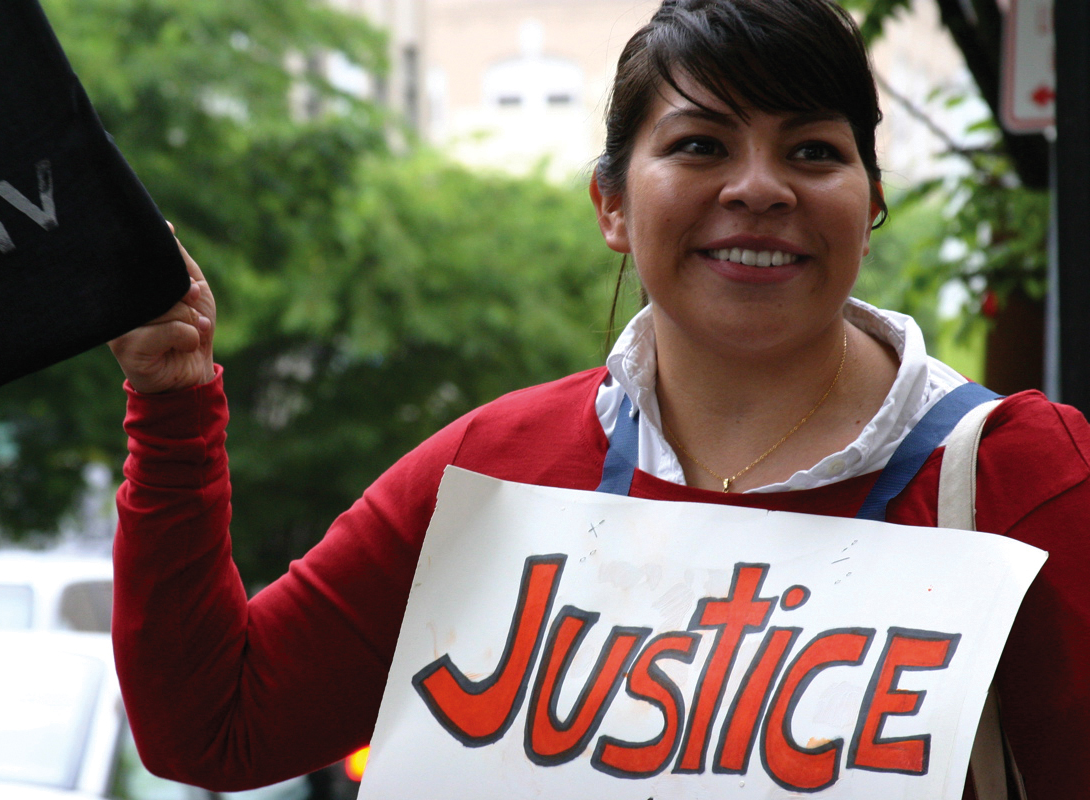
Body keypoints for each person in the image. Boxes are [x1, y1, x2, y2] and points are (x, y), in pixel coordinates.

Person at [108, 1, 1090, 797]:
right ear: (612, 204)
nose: (759, 187)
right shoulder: (491, 468)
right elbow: (213, 726)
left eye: (813, 151)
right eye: (702, 145)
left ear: (870, 203)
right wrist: (174, 403)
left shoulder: (1024, 476)